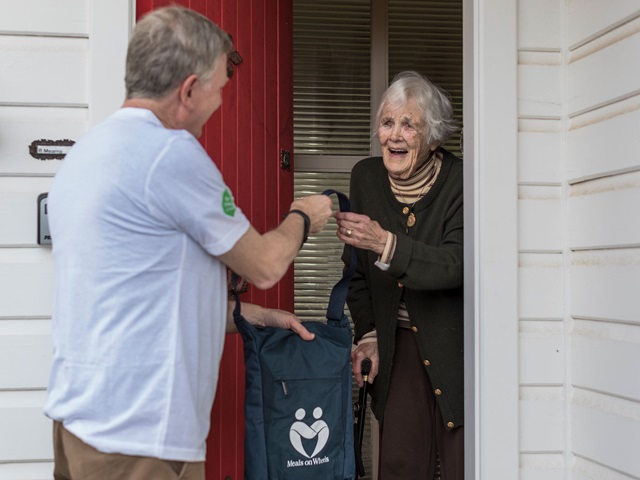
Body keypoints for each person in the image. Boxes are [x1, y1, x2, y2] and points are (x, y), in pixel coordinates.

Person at [44, 6, 332, 480]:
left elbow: (140, 298)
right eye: (219, 87)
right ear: (190, 90)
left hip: (82, 424)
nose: (220, 103)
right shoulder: (169, 154)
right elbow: (264, 265)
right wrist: (303, 215)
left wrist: (251, 317)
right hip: (139, 438)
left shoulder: (88, 151)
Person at [336, 71, 464, 479]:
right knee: (400, 466)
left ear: (434, 135)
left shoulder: (461, 182)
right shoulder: (366, 178)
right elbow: (356, 272)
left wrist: (387, 245)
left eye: (409, 124)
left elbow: (455, 264)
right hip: (399, 348)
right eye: (388, 122)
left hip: (458, 347)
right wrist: (370, 335)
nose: (394, 135)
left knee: (466, 463)